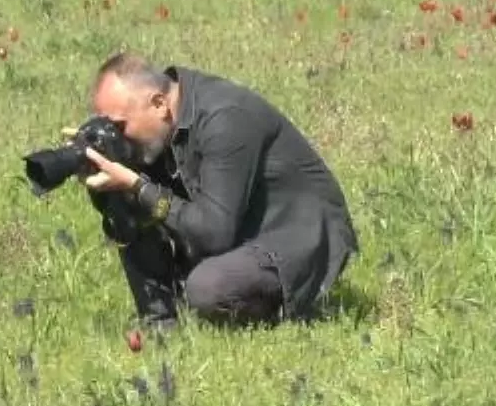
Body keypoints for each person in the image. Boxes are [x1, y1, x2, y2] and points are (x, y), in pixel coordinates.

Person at [74, 51, 358, 330]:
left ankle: (290, 308)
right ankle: (160, 322)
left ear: (159, 104)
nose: (116, 135)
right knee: (134, 203)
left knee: (207, 288)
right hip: (238, 226)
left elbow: (214, 233)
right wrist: (106, 185)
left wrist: (138, 186)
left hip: (294, 235)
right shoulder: (159, 130)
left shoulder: (224, 118)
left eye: (119, 126)